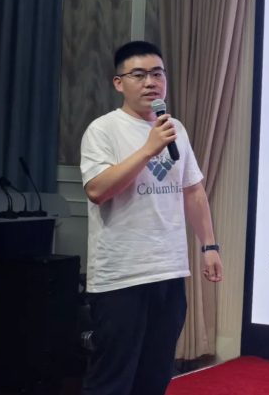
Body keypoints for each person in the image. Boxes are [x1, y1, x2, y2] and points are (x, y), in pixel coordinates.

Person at [80, 41, 223, 395]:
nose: (150, 82)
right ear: (119, 83)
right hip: (121, 277)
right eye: (139, 75)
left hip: (169, 271)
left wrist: (209, 246)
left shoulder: (175, 129)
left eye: (157, 74)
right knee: (112, 379)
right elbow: (97, 190)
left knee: (155, 375)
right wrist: (148, 149)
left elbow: (193, 190)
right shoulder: (103, 130)